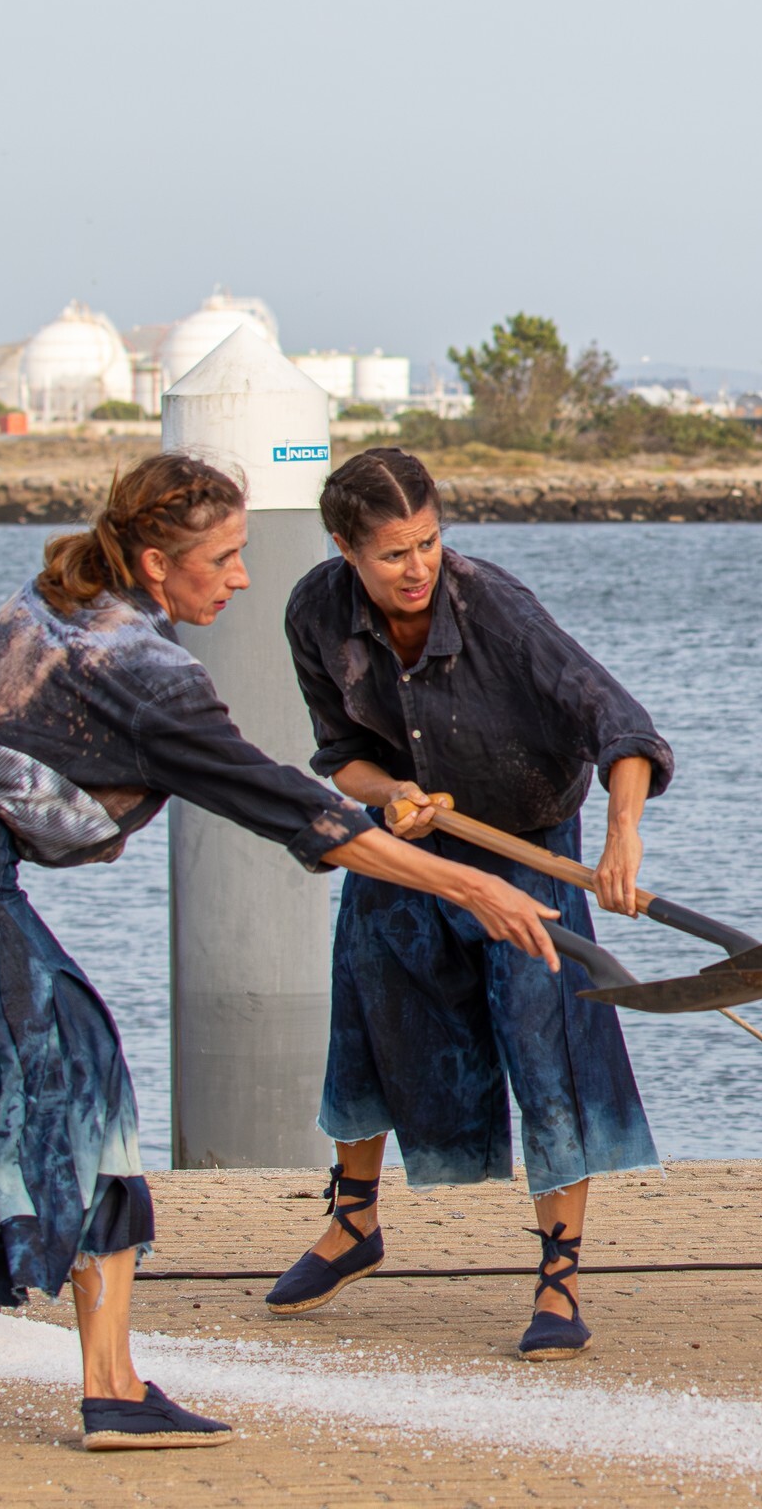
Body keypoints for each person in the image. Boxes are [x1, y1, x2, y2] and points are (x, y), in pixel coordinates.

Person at [0, 454, 563, 1450]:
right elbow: (291, 807)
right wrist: (471, 884)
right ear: (156, 562)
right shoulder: (147, 672)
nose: (239, 578)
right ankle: (111, 1390)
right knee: (85, 1081)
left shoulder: (60, 597)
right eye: (225, 559)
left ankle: (108, 1381)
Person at [266, 447, 669, 1360]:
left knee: (547, 1041)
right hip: (409, 845)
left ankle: (560, 1281)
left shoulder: (494, 606)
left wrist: (621, 835)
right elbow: (343, 757)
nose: (418, 569)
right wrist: (390, 796)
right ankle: (353, 1223)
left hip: (526, 843)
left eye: (430, 543)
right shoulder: (314, 610)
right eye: (394, 554)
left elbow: (621, 723)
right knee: (368, 1016)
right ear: (345, 549)